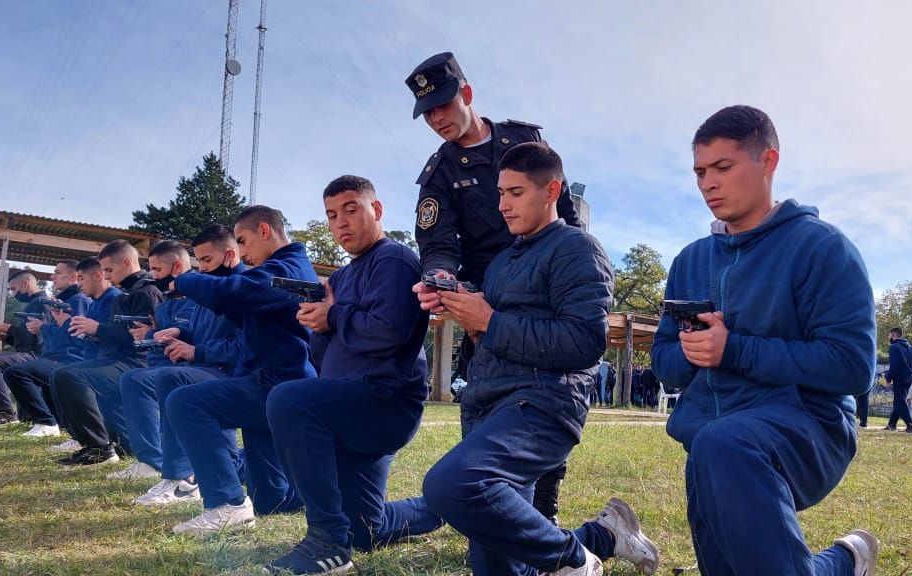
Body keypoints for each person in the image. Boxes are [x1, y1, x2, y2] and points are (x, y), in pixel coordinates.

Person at [651, 105, 878, 576]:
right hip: (711, 445)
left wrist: (734, 349)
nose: (707, 183)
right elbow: (664, 362)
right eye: (699, 171)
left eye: (723, 167)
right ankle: (846, 560)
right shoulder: (688, 261)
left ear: (768, 162)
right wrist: (693, 354)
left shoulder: (822, 248)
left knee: (722, 444)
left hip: (808, 429)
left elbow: (853, 366)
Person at [422, 143, 657, 576]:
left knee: (450, 485)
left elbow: (585, 342)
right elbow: (497, 332)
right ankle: (606, 535)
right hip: (489, 405)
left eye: (514, 193)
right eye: (499, 193)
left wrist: (490, 320)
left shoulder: (578, 249)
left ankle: (574, 561)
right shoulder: (501, 262)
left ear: (551, 190)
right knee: (502, 567)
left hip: (541, 408)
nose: (502, 205)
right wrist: (462, 308)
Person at [406, 50, 579, 525]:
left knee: (550, 386)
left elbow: (558, 196)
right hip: (489, 289)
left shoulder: (521, 139)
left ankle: (544, 507)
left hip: (547, 274)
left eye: (443, 105)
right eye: (428, 113)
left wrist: (572, 260)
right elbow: (437, 240)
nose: (437, 119)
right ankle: (491, 502)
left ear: (467, 93)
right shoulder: (438, 173)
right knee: (487, 390)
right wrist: (438, 279)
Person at [262, 176, 444, 574]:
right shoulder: (341, 278)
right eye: (331, 215)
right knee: (367, 529)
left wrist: (334, 316)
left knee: (287, 399)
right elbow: (328, 359)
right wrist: (319, 326)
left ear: (376, 211)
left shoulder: (393, 259)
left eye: (350, 210)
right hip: (347, 402)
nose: (340, 223)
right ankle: (446, 507)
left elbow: (389, 333)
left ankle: (326, 541)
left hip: (383, 402)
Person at [166, 206, 316, 534]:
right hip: (273, 381)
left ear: (265, 231)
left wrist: (187, 279)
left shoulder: (287, 269)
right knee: (271, 500)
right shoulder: (286, 268)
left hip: (278, 382)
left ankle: (227, 503)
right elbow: (247, 309)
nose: (243, 253)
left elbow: (234, 293)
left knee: (185, 402)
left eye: (244, 242)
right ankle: (317, 493)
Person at [126, 224, 246, 506]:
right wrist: (181, 334)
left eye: (206, 260)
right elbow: (199, 330)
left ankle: (182, 476)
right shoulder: (209, 289)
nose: (201, 269)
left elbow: (245, 347)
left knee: (172, 378)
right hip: (206, 366)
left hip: (228, 372)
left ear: (230, 255)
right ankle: (175, 467)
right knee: (141, 378)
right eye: (199, 261)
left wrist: (197, 350)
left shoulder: (241, 290)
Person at [52, 239, 163, 466]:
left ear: (127, 263)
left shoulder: (146, 292)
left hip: (136, 362)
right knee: (126, 443)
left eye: (109, 270)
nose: (107, 276)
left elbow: (141, 339)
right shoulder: (126, 294)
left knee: (68, 375)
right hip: (116, 359)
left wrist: (97, 328)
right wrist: (93, 332)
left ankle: (99, 448)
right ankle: (114, 448)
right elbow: (120, 332)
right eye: (104, 271)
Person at [107, 240, 196, 480]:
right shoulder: (167, 302)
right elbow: (161, 346)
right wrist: (151, 336)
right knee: (135, 379)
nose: (153, 276)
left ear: (177, 266)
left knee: (141, 380)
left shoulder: (199, 298)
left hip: (195, 368)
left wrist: (150, 335)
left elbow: (190, 339)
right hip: (166, 367)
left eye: (157, 270)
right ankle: (151, 459)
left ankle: (163, 465)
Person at [3, 260, 91, 437]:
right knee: (35, 377)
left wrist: (43, 328)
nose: (52, 277)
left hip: (68, 358)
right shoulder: (61, 300)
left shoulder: (78, 300)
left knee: (15, 373)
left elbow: (75, 336)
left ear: (73, 276)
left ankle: (46, 423)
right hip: (53, 356)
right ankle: (57, 423)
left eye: (57, 273)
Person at [47, 257, 122, 454]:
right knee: (60, 374)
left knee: (64, 375)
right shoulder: (94, 303)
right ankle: (84, 438)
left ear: (98, 276)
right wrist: (65, 322)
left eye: (81, 278)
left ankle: (98, 444)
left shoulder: (114, 299)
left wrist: (90, 329)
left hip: (111, 362)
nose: (78, 284)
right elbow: (84, 339)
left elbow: (111, 338)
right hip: (93, 359)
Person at [0, 269, 48, 424]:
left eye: (13, 289)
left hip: (35, 355)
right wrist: (4, 337)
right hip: (28, 352)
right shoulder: (32, 304)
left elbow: (38, 340)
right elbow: (25, 339)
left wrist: (6, 327)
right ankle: (14, 413)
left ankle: (6, 413)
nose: (12, 293)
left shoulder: (41, 303)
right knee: (26, 418)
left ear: (25, 283)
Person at [883, 326, 912, 433]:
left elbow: (894, 365)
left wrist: (888, 378)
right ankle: (892, 424)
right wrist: (907, 368)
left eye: (890, 335)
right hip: (909, 377)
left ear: (893, 335)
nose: (889, 337)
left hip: (899, 377)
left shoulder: (894, 347)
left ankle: (910, 425)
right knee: (899, 401)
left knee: (900, 401)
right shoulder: (910, 347)